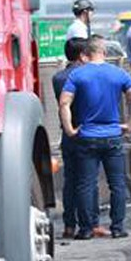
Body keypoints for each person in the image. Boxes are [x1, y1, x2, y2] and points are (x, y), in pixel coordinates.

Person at [59, 38, 131, 239]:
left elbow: (64, 103)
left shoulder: (77, 74)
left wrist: (70, 129)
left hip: (87, 136)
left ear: (85, 54)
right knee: (117, 184)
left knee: (86, 183)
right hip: (113, 135)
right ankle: (118, 227)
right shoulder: (118, 73)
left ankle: (87, 229)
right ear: (104, 52)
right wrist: (129, 125)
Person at [51, 37, 96, 239]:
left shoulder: (58, 77)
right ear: (82, 55)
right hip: (86, 131)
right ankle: (90, 223)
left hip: (67, 132)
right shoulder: (87, 76)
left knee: (70, 181)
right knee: (88, 180)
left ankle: (69, 225)